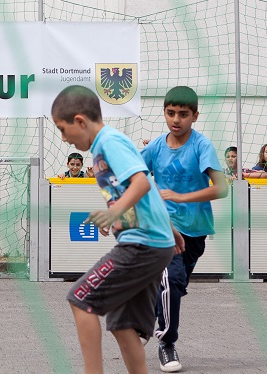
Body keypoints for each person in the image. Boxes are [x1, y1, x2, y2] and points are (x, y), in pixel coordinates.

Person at [53, 85, 181, 374]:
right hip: (153, 242)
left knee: (81, 299)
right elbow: (149, 191)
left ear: (80, 121)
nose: (63, 138)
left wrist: (114, 212)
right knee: (123, 324)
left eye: (63, 129)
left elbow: (141, 182)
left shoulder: (109, 141)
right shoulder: (103, 147)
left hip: (142, 245)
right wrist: (169, 228)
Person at [141, 86, 228, 372]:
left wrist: (181, 197)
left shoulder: (202, 146)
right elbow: (133, 173)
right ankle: (166, 343)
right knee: (171, 278)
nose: (176, 120)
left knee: (174, 285)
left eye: (183, 114)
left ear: (195, 116)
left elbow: (222, 189)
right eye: (170, 113)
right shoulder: (155, 146)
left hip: (195, 230)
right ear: (164, 113)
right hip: (163, 226)